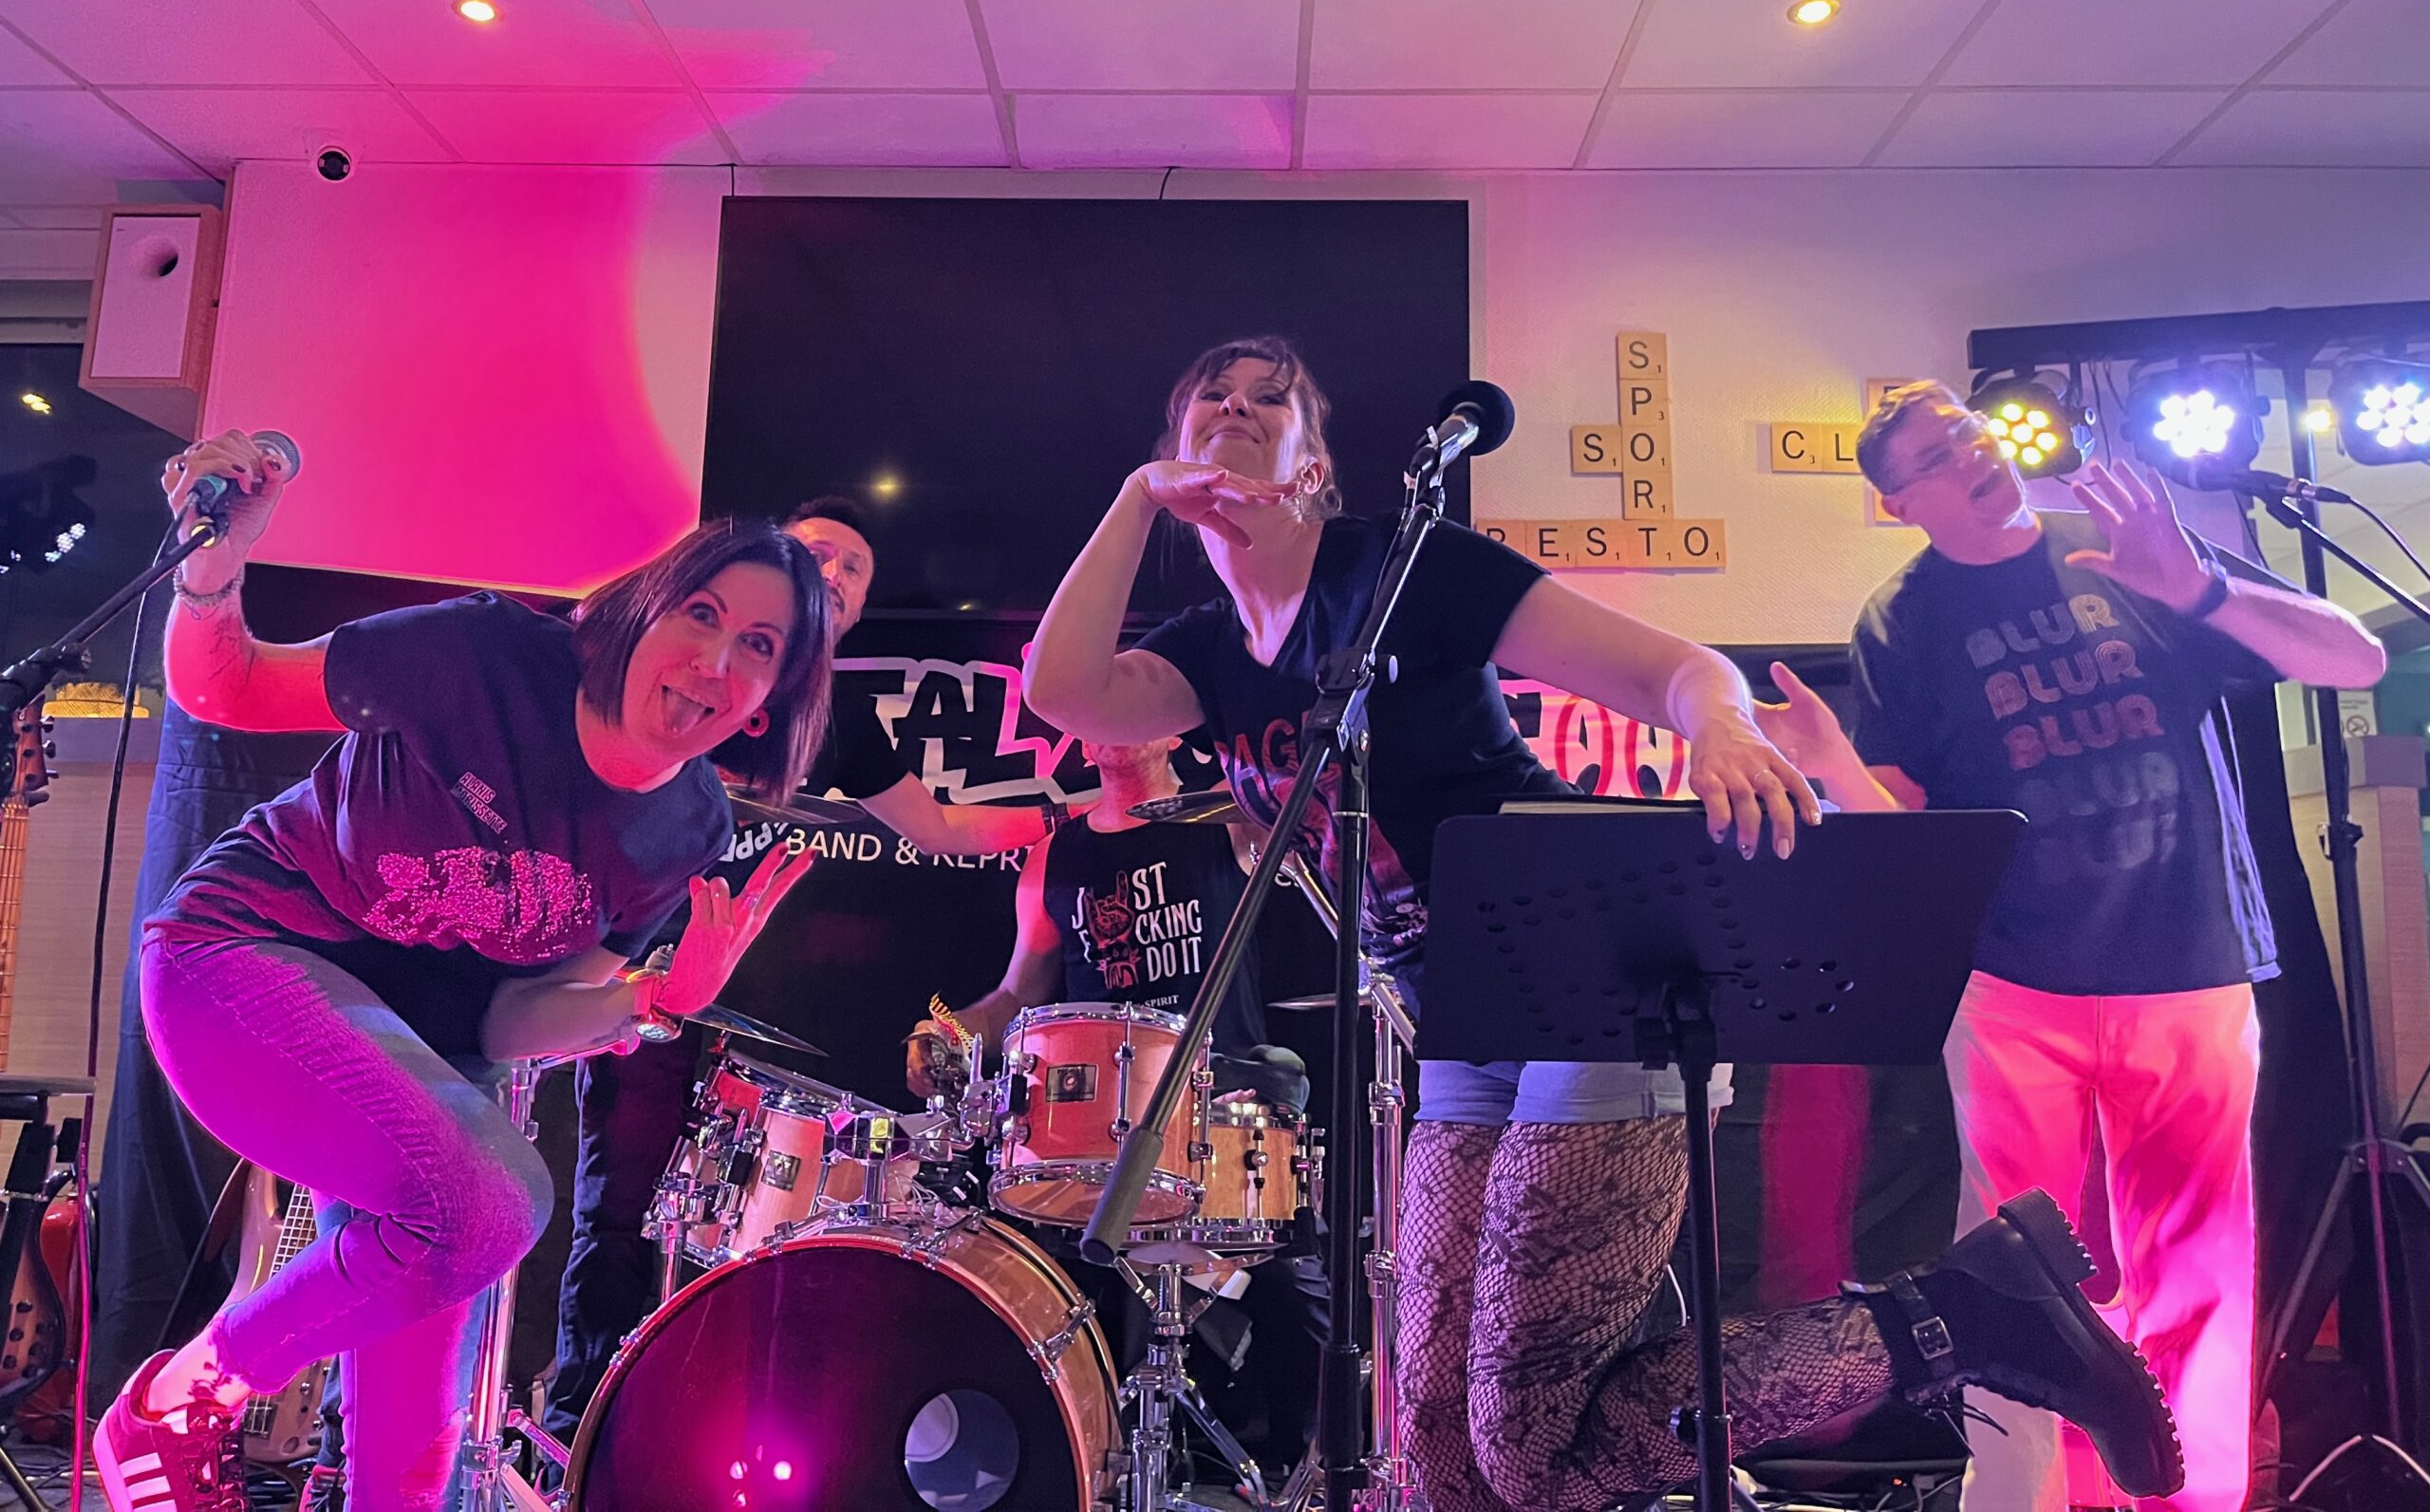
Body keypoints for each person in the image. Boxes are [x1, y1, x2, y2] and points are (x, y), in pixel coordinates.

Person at [1023, 337, 2187, 1509]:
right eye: (1209, 401)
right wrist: (1135, 498)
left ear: (1311, 465)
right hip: (1462, 1023)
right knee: (1438, 1443)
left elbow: (1677, 671)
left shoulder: (1407, 567)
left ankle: (1962, 1317)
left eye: (1267, 399)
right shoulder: (1211, 653)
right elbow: (1061, 691)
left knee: (1526, 1443)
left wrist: (1722, 728)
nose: (1234, 408)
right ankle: (1978, 1307)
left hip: (1598, 976)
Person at [96, 428, 831, 1512]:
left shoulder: (685, 827)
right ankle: (179, 1399)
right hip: (241, 957)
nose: (715, 660)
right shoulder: (482, 656)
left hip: (425, 1059)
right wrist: (214, 564)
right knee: (492, 1206)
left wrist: (652, 1000)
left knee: (413, 1460)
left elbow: (514, 1017)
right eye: (702, 613)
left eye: (758, 645)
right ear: (646, 610)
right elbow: (229, 687)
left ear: (769, 695)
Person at [1756, 383, 2384, 1512]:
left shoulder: (2131, 555)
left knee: (2196, 1274)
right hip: (2012, 989)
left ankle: (2186, 1501)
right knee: (2018, 1287)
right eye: (1934, 457)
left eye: (1966, 433)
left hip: (2188, 965)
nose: (1970, 455)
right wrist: (1828, 764)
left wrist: (2196, 586)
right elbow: (1905, 836)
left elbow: (2356, 661)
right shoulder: (1901, 621)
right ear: (1898, 505)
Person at [543, 495, 1060, 1443]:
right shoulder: (674, 657)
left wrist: (1068, 816)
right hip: (631, 968)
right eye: (815, 553)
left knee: (745, 1240)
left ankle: (685, 1433)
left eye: (853, 570)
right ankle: (580, 1436)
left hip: (754, 1012)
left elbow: (942, 827)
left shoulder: (837, 717)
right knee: (612, 1212)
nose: (832, 573)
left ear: (853, 613)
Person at [906, 737, 1325, 1479]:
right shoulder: (1055, 856)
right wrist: (947, 1034)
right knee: (1043, 1294)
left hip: (1219, 1116)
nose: (1110, 723)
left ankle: (1305, 1480)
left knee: (1303, 1305)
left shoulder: (1228, 821)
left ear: (1169, 727)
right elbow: (1014, 997)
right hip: (1089, 1137)